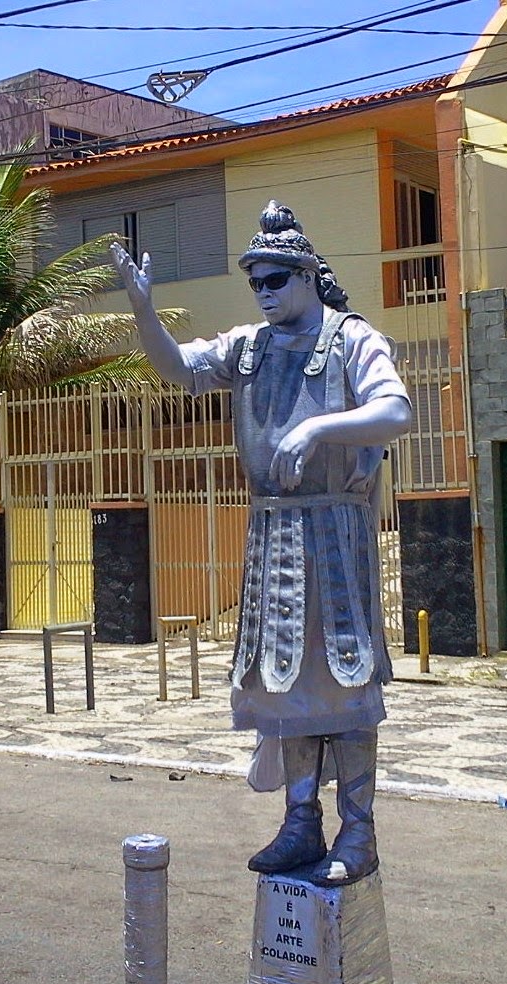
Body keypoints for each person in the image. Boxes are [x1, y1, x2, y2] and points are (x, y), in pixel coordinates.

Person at [111, 201, 411, 887]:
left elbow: (395, 409)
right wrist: (143, 310)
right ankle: (300, 819)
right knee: (288, 687)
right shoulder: (249, 347)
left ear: (307, 273)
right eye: (258, 283)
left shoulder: (350, 339)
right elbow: (180, 369)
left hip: (335, 531)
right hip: (272, 532)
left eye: (278, 279)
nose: (267, 293)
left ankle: (358, 831)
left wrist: (318, 430)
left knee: (344, 679)